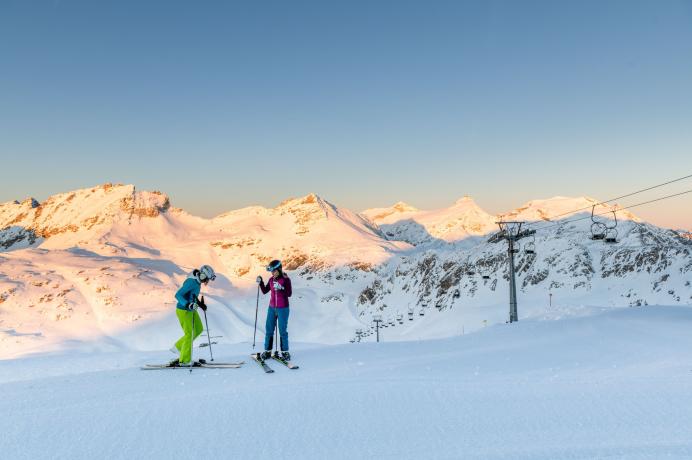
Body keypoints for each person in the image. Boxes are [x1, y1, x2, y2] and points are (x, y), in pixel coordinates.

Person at [170, 264, 216, 367]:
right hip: (183, 310)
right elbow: (178, 295)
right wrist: (188, 304)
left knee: (199, 329)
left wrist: (200, 305)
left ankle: (178, 347)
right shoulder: (192, 282)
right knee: (189, 334)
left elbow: (193, 295)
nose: (207, 282)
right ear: (203, 275)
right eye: (207, 279)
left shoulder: (198, 281)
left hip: (191, 309)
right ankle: (185, 360)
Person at [257, 260, 292, 361]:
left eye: (274, 271)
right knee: (269, 329)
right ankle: (268, 351)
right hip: (272, 308)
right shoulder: (271, 280)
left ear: (279, 269)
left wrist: (281, 288)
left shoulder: (286, 279)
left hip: (283, 308)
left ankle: (285, 352)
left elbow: (289, 293)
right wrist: (261, 282)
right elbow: (264, 291)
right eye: (271, 271)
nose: (272, 273)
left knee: (282, 331)